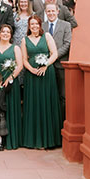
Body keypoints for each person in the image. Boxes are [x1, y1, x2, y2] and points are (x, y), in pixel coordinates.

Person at [21, 15, 61, 149]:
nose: (34, 26)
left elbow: (54, 53)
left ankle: (49, 139)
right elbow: (24, 59)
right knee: (34, 104)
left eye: (36, 24)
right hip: (31, 76)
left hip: (47, 74)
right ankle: (33, 140)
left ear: (40, 25)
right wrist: (31, 69)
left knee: (47, 103)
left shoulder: (47, 36)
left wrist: (46, 65)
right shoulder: (24, 40)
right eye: (32, 24)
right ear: (29, 26)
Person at [0, 23, 23, 149]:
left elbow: (20, 65)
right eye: (3, 32)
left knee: (9, 109)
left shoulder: (15, 48)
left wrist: (10, 78)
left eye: (8, 32)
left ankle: (9, 140)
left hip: (9, 84)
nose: (5, 34)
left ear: (11, 35)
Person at [43, 3, 73, 121]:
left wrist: (54, 56)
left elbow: (67, 44)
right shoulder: (42, 26)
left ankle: (61, 121)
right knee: (48, 95)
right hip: (46, 66)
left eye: (52, 11)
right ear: (46, 12)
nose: (51, 13)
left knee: (63, 95)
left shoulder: (66, 25)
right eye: (48, 11)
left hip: (60, 64)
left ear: (58, 11)